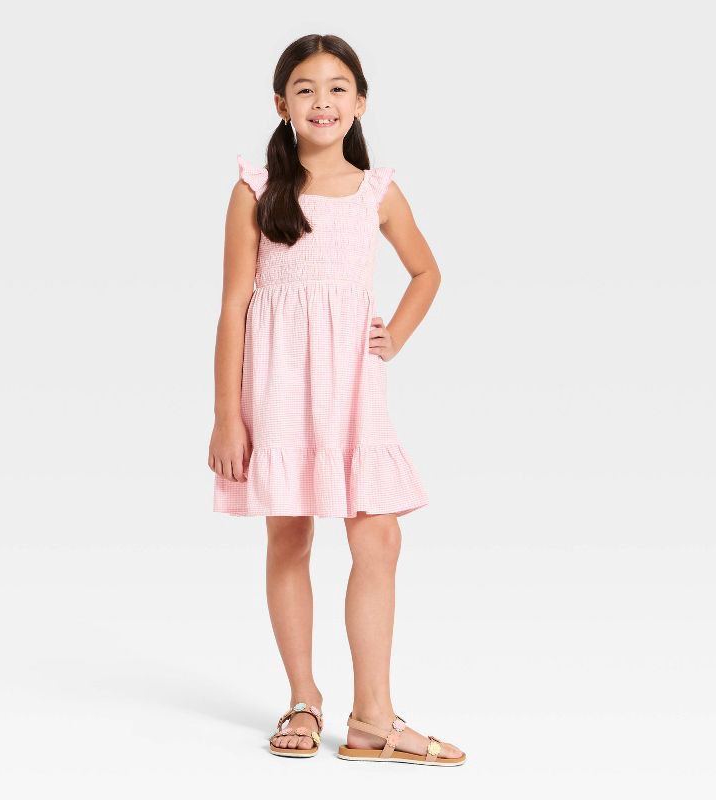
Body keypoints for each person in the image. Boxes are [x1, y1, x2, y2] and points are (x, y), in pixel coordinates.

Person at [208, 34, 466, 766]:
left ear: (360, 102)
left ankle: (372, 718)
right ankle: (303, 698)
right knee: (290, 538)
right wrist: (227, 416)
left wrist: (396, 335)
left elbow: (426, 271)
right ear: (281, 104)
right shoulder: (257, 190)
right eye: (305, 89)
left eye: (337, 87)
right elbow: (232, 306)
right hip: (277, 387)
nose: (322, 102)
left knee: (378, 536)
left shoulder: (377, 192)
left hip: (353, 387)